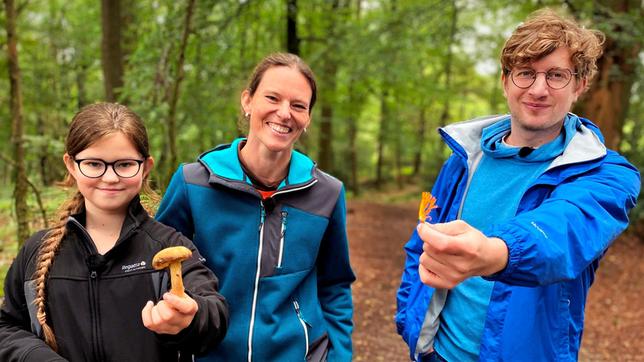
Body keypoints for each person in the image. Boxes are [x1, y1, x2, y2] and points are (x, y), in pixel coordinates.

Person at [396, 9, 640, 362]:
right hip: (439, 352)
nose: (538, 90)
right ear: (506, 81)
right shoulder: (465, 157)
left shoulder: (606, 173)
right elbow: (422, 240)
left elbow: (565, 231)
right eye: (526, 73)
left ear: (580, 85)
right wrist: (409, 316)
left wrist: (494, 252)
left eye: (556, 75)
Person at [156, 52, 355, 361]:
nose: (284, 113)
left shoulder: (327, 192)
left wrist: (338, 356)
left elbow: (335, 285)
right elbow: (157, 272)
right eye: (272, 98)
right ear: (247, 101)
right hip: (207, 353)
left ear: (308, 118)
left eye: (298, 105)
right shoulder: (192, 183)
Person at [0, 103, 229, 361]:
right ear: (71, 165)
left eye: (124, 164)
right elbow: (6, 326)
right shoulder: (37, 251)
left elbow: (215, 314)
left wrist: (190, 317)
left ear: (145, 167)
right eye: (94, 164)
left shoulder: (168, 245)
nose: (110, 177)